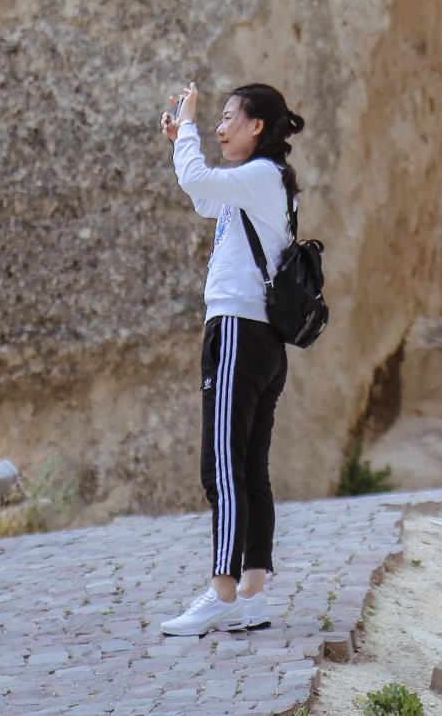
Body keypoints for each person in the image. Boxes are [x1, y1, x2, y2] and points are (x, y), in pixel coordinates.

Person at [157, 80, 306, 637]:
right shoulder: (262, 183)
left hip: (240, 331)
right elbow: (201, 196)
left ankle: (221, 592)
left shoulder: (262, 177)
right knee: (248, 469)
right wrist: (181, 139)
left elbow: (198, 178)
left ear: (257, 126)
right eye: (215, 118)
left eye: (227, 117)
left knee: (219, 466)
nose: (220, 127)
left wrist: (187, 124)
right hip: (259, 338)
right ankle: (250, 595)